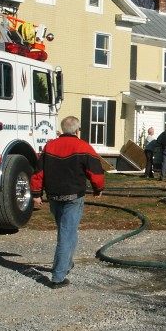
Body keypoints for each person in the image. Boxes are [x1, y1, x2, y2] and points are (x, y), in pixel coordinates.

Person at [31, 116, 104, 289]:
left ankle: (67, 263)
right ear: (77, 130)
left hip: (54, 196)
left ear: (63, 130)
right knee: (66, 234)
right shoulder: (83, 147)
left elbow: (38, 172)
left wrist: (36, 193)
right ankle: (58, 277)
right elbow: (96, 172)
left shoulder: (50, 146)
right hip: (73, 196)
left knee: (68, 231)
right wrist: (98, 189)